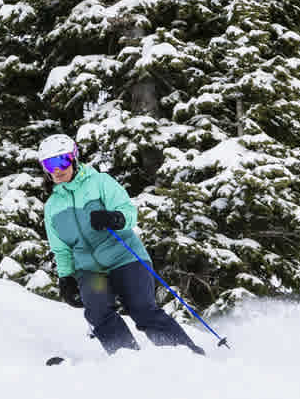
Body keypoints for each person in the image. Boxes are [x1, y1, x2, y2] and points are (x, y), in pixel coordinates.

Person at [39, 133, 202, 355]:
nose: (57, 169)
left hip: (125, 258)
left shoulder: (100, 182)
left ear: (74, 158)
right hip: (90, 269)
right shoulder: (52, 207)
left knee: (142, 309)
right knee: (97, 313)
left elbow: (129, 213)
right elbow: (61, 248)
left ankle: (187, 355)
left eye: (62, 160)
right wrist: (66, 277)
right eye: (50, 164)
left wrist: (113, 218)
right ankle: (127, 358)